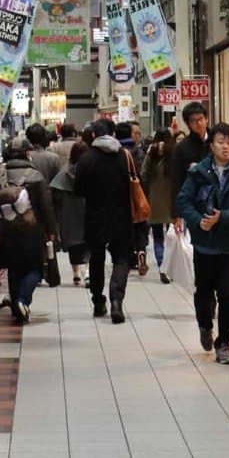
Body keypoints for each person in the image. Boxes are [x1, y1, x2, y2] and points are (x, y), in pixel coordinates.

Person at [176, 122, 229, 365]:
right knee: (204, 291)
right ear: (211, 145)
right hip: (205, 244)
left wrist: (222, 217)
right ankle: (205, 326)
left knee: (227, 294)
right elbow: (183, 202)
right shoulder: (198, 173)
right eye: (221, 142)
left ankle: (224, 344)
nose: (225, 147)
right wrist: (199, 221)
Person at [73, 119, 132, 323]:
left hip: (95, 216)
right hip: (121, 215)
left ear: (93, 135)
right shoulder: (124, 156)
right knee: (121, 258)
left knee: (97, 259)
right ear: (113, 133)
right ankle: (116, 300)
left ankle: (98, 301)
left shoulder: (87, 159)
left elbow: (78, 189)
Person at [0, 153, 57, 323]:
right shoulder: (36, 176)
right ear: (27, 156)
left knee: (13, 269)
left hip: (6, 231)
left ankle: (16, 308)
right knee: (35, 269)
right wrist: (51, 229)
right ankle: (22, 300)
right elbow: (45, 207)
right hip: (32, 231)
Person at [50, 139, 89, 286]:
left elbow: (55, 192)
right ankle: (87, 271)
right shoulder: (90, 171)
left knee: (73, 245)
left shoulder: (65, 172)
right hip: (87, 211)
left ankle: (76, 273)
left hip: (69, 213)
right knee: (88, 243)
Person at [141, 129, 176, 281]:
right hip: (171, 199)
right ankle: (170, 267)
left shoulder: (151, 153)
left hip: (154, 199)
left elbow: (143, 174)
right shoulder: (174, 152)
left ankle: (162, 266)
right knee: (172, 235)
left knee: (157, 236)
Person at [116, 119, 149, 276]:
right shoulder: (139, 153)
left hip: (121, 198)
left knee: (125, 228)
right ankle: (141, 250)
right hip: (137, 195)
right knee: (140, 226)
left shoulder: (116, 153)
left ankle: (130, 257)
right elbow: (143, 176)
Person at [171, 100, 209, 218]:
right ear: (188, 124)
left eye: (201, 119)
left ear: (206, 119)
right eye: (194, 121)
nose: (199, 123)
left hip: (219, 204)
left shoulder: (217, 140)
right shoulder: (182, 147)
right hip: (193, 205)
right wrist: (176, 214)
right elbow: (177, 180)